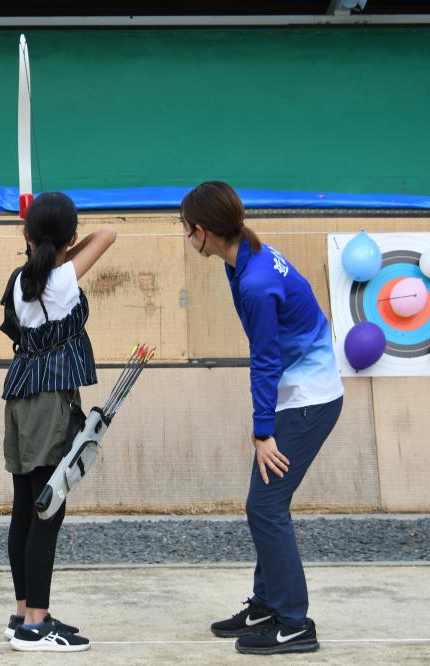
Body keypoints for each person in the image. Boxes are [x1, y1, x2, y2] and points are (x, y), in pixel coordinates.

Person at [180, 181, 343, 656]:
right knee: (265, 506)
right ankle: (267, 605)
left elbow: (265, 358)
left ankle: (294, 623)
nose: (186, 239)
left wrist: (262, 431)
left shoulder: (253, 280)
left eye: (187, 230)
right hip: (300, 392)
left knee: (266, 508)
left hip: (308, 400)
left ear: (203, 232)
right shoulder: (247, 257)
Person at [0, 191, 117, 652]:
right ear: (69, 237)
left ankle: (23, 611)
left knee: (26, 508)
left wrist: (50, 244)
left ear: (26, 235)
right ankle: (37, 624)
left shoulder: (19, 278)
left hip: (21, 398)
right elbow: (107, 234)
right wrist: (64, 247)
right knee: (49, 509)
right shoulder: (62, 277)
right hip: (48, 402)